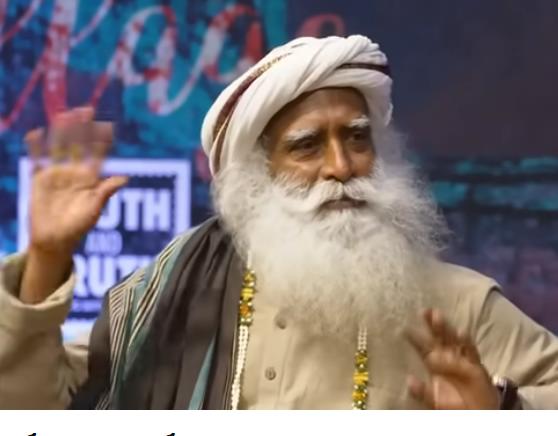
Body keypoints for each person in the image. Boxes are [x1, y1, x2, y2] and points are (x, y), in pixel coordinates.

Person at [0, 35, 557, 410]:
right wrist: (46, 259)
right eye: (307, 146)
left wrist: (500, 411)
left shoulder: (456, 306)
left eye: (356, 138)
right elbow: (35, 408)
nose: (341, 167)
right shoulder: (167, 300)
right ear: (257, 175)